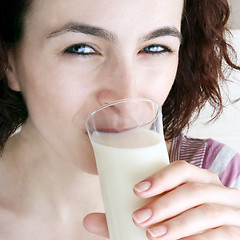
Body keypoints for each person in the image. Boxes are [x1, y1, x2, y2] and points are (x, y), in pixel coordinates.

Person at [0, 0, 240, 239]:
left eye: (155, 48)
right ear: (9, 63)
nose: (127, 98)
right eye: (81, 48)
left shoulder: (225, 183)